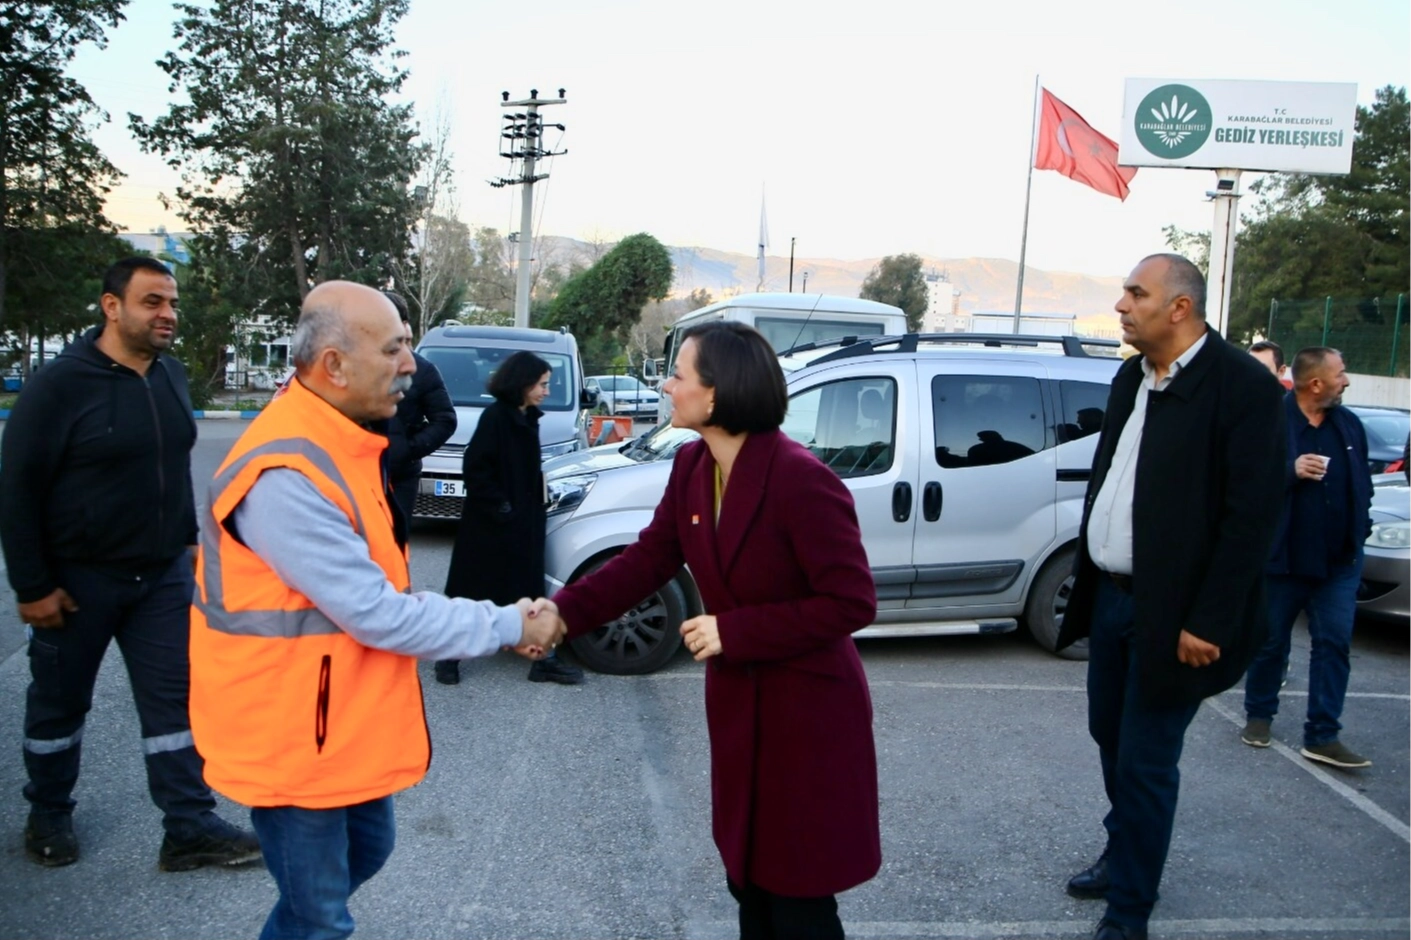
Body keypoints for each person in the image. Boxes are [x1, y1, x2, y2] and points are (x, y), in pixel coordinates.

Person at [187, 281, 563, 940]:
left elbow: (379, 593)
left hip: (335, 721)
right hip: (291, 736)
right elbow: (378, 613)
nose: (411, 365)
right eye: (394, 348)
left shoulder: (342, 440)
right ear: (333, 365)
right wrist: (509, 622)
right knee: (320, 916)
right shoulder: (287, 472)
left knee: (363, 856)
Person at [539, 321, 880, 940]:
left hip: (808, 714)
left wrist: (736, 630)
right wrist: (565, 614)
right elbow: (648, 559)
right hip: (741, 706)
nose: (667, 386)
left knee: (797, 893)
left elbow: (851, 601)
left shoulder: (803, 480)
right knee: (747, 879)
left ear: (716, 395)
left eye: (679, 374)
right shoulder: (695, 464)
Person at [0, 257, 260, 870]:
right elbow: (17, 490)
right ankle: (48, 813)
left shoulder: (169, 375)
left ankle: (188, 826)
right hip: (76, 583)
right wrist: (33, 584)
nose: (167, 313)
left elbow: (170, 472)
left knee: (176, 703)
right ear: (111, 306)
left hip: (161, 578)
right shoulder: (60, 385)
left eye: (171, 302)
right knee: (60, 705)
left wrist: (191, 546)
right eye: (151, 302)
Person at [1055, 254, 1285, 940]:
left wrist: (1208, 618)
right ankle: (1124, 848)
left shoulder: (1241, 388)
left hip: (1177, 616)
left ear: (1178, 308)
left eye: (1135, 293)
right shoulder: (1132, 375)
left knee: (1146, 760)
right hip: (1114, 600)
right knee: (1109, 737)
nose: (1121, 305)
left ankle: (1129, 910)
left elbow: (1252, 519)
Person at [1241, 347, 1373, 769]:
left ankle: (1323, 735)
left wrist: (1359, 535)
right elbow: (1242, 483)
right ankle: (1259, 714)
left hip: (1339, 565)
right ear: (1315, 383)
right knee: (1271, 642)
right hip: (1282, 561)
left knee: (1334, 643)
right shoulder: (1269, 422)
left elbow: (1362, 486)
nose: (1346, 381)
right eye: (1341, 373)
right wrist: (1289, 470)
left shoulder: (1349, 425)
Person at [436, 350, 584, 686]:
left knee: (529, 593)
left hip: (523, 523)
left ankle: (543, 658)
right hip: (491, 527)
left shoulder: (528, 416)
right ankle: (448, 657)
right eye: (543, 384)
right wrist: (501, 506)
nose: (547, 390)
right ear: (524, 383)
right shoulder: (496, 418)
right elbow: (475, 469)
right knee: (474, 596)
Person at [379, 291, 456, 522]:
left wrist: (407, 449)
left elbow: (445, 420)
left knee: (392, 544)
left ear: (403, 325)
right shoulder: (355, 364)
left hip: (400, 476)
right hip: (354, 472)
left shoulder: (422, 370)